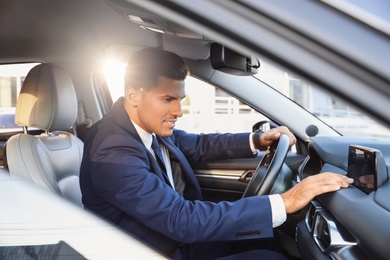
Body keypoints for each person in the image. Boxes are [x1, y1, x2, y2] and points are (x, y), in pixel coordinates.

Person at [79, 48, 353, 259]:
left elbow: (198, 145)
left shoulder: (143, 127)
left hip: (177, 241)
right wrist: (286, 201)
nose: (178, 111)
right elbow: (180, 220)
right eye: (167, 99)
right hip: (160, 251)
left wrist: (257, 140)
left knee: (265, 239)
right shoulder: (112, 150)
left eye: (180, 100)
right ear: (134, 96)